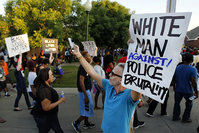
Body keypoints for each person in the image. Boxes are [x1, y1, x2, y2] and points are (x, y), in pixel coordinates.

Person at [72, 45, 141, 133]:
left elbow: (138, 89)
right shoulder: (109, 86)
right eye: (111, 72)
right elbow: (91, 71)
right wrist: (79, 55)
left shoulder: (129, 95)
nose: (109, 75)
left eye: (113, 74)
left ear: (122, 80)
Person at [31, 68, 66, 133]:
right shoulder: (44, 90)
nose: (53, 76)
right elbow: (46, 107)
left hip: (50, 115)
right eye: (51, 75)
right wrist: (60, 100)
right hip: (44, 117)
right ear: (46, 78)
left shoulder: (46, 85)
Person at [72, 51, 95, 133]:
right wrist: (85, 96)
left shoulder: (86, 65)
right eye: (89, 56)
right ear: (85, 58)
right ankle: (76, 123)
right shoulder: (83, 67)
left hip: (87, 91)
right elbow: (81, 81)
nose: (91, 57)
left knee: (88, 108)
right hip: (84, 92)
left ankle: (86, 123)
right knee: (86, 110)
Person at [172, 53, 198, 122]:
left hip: (178, 89)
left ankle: (176, 116)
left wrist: (174, 86)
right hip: (188, 91)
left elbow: (174, 78)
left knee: (177, 103)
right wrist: (196, 92)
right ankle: (186, 117)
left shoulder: (177, 68)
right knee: (189, 104)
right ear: (191, 60)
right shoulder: (193, 69)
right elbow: (194, 82)